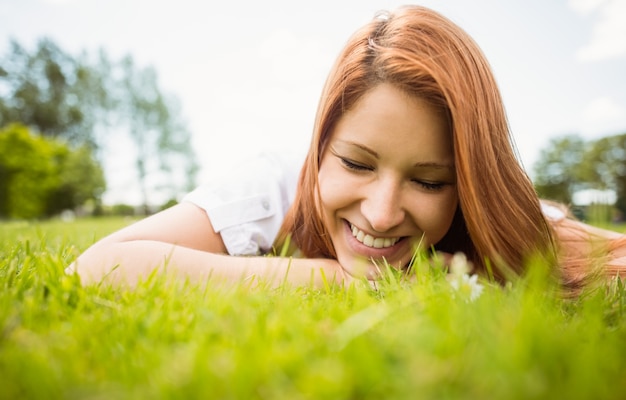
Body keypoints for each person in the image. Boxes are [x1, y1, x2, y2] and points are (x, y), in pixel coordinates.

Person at [68, 5, 626, 296]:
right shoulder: (274, 184)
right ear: (320, 146)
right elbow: (97, 267)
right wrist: (351, 281)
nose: (381, 213)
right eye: (356, 163)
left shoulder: (504, 220)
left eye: (430, 181)